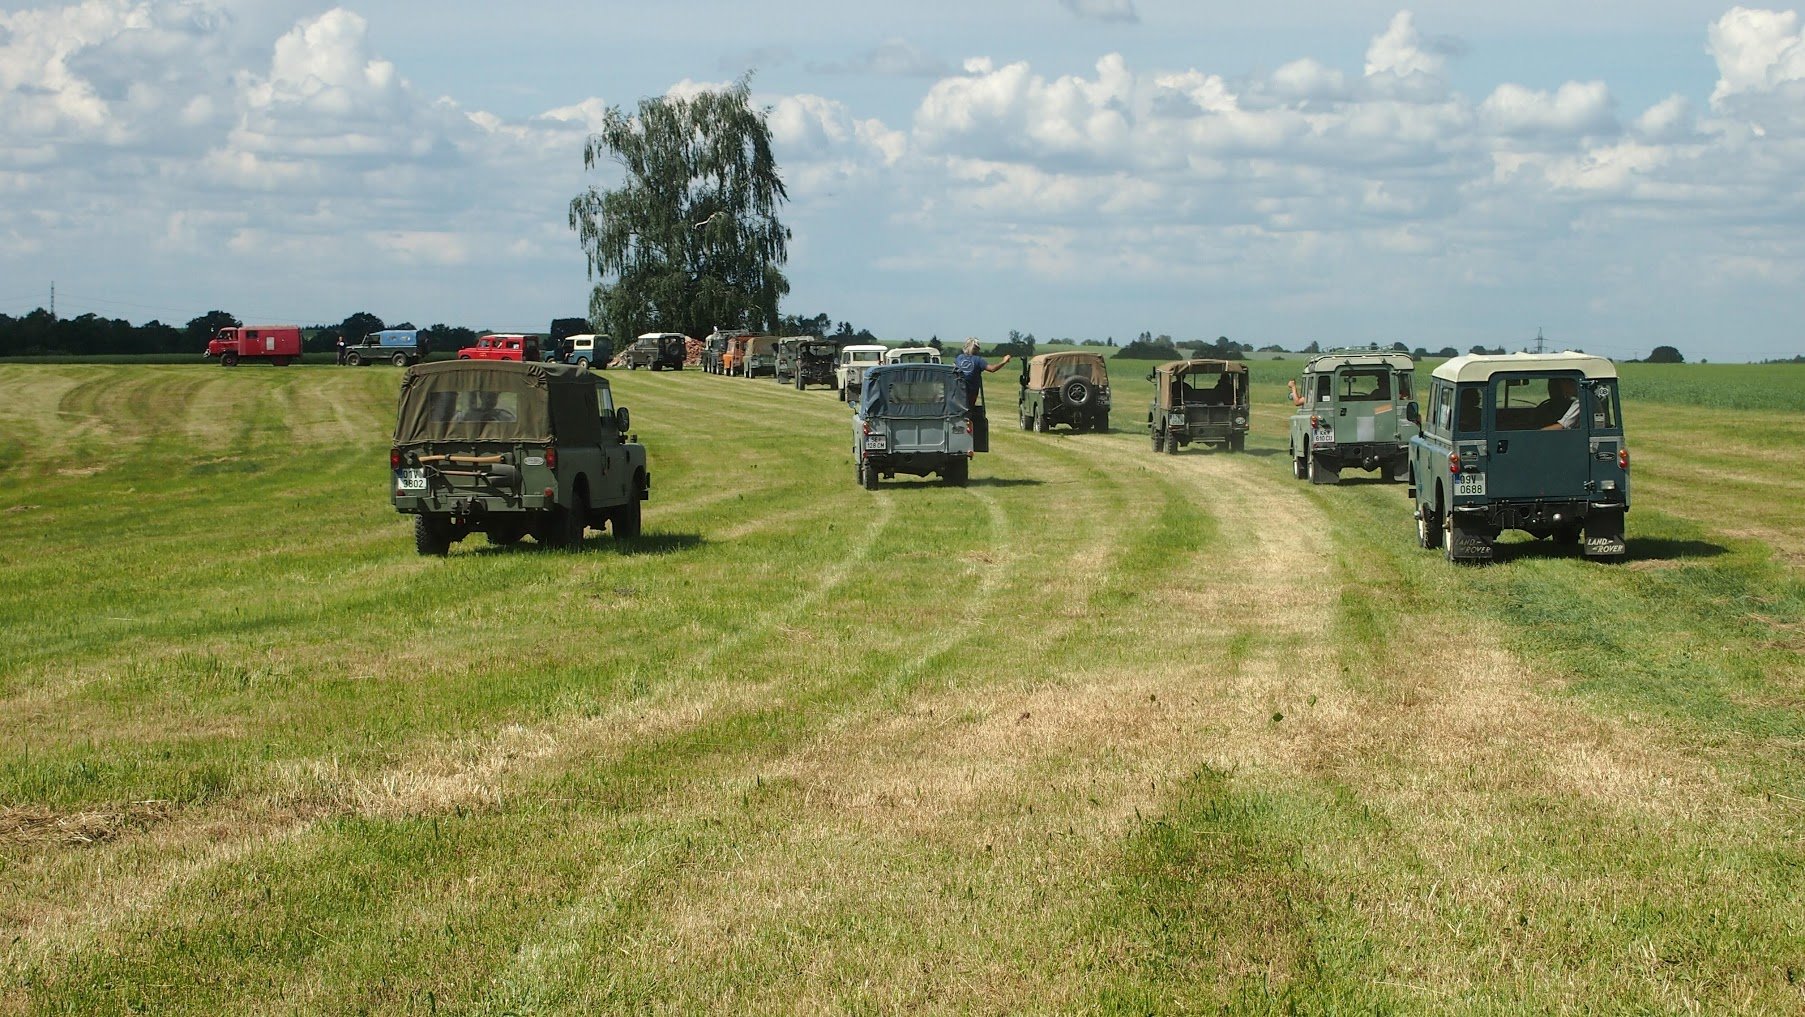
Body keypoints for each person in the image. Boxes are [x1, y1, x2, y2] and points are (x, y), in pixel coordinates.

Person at [953, 338, 1011, 407]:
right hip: (971, 393)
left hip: (957, 391)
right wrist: (1004, 361)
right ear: (976, 349)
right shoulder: (978, 360)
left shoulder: (959, 358)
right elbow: (992, 369)